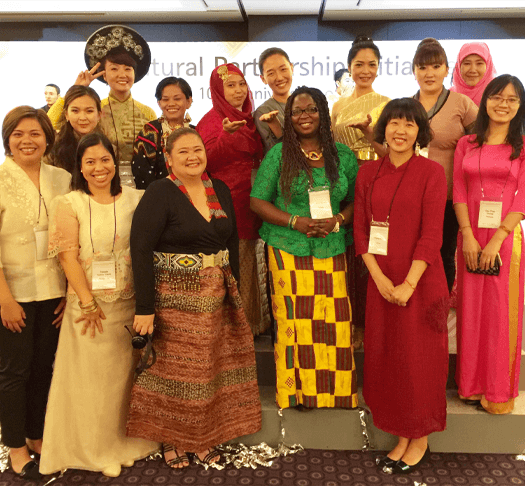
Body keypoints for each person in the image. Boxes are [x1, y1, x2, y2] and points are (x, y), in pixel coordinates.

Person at [126, 127, 261, 468]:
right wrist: (145, 308)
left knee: (211, 371)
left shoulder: (219, 188)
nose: (192, 157)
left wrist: (235, 293)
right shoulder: (160, 192)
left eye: (197, 149)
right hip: (173, 300)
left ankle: (203, 436)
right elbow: (140, 249)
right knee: (175, 374)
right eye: (183, 151)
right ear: (169, 158)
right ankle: (172, 439)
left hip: (217, 298)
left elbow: (230, 243)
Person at [40, 132, 158, 477]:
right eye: (89, 161)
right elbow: (67, 256)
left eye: (105, 159)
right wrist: (88, 303)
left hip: (128, 304)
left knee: (122, 382)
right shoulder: (69, 203)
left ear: (115, 162)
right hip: (90, 308)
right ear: (80, 167)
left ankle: (122, 444)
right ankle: (95, 450)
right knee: (91, 384)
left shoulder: (136, 198)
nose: (98, 167)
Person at [353, 98, 448, 474]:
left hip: (420, 283)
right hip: (381, 282)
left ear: (419, 131)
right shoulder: (368, 173)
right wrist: (379, 279)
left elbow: (432, 234)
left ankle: (419, 438)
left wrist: (408, 283)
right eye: (394, 122)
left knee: (418, 361)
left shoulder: (432, 173)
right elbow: (361, 231)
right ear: (384, 128)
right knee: (389, 359)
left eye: (410, 124)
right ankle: (402, 435)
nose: (400, 130)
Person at [251, 86, 359, 410]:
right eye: (296, 111)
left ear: (323, 113)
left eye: (311, 109)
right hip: (288, 247)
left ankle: (334, 392)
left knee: (333, 320)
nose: (304, 116)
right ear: (289, 118)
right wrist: (294, 221)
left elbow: (356, 201)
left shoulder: (343, 155)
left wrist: (338, 219)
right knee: (294, 321)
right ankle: (297, 393)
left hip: (332, 245)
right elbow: (257, 201)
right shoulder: (279, 155)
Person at [0, 106, 70, 481]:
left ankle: (37, 436)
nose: (27, 141)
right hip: (13, 293)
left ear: (47, 139)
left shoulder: (62, 178)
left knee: (44, 367)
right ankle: (15, 447)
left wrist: (69, 290)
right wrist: (5, 300)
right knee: (15, 371)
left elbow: (70, 236)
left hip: (54, 290)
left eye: (35, 134)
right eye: (18, 134)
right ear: (7, 140)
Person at [453, 75, 525, 414]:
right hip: (470, 236)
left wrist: (497, 239)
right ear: (485, 101)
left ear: (520, 106)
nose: (503, 104)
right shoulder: (466, 143)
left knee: (499, 315)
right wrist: (467, 234)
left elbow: (522, 199)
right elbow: (458, 190)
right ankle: (470, 386)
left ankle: (496, 391)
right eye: (497, 97)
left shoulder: (522, 147)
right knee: (470, 312)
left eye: (512, 99)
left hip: (505, 240)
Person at [196, 64, 269, 335]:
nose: (238, 90)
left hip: (254, 200)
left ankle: (254, 324)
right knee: (231, 264)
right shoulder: (211, 121)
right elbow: (203, 162)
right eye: (230, 85)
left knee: (252, 261)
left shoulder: (252, 118)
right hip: (226, 201)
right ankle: (234, 330)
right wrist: (225, 137)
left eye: (241, 84)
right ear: (218, 90)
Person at [331, 35, 390, 348]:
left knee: (374, 248)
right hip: (344, 183)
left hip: (377, 179)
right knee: (347, 252)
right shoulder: (338, 105)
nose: (365, 70)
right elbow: (331, 148)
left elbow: (393, 150)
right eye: (359, 64)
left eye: (371, 64)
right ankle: (349, 322)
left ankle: (372, 324)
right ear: (349, 68)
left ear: (379, 68)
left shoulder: (388, 104)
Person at [47, 25, 157, 187]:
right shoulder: (94, 109)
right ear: (104, 75)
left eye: (128, 69)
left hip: (141, 183)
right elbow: (48, 125)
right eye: (114, 69)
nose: (122, 74)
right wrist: (75, 89)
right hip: (100, 180)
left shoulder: (147, 112)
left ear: (135, 73)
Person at [412, 38, 478, 292]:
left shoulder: (462, 104)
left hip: (449, 196)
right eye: (422, 67)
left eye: (436, 66)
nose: (429, 73)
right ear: (414, 71)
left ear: (447, 69)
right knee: (413, 252)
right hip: (412, 195)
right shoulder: (407, 105)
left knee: (443, 254)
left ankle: (439, 305)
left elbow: (483, 144)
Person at [132, 76, 193, 189]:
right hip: (157, 194)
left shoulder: (196, 132)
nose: (171, 103)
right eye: (165, 99)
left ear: (189, 101)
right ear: (159, 103)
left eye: (177, 99)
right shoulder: (149, 132)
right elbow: (142, 172)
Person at [47, 85, 102, 173]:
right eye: (75, 111)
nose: (82, 118)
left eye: (89, 111)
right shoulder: (53, 147)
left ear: (99, 115)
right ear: (66, 114)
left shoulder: (107, 147)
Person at [254, 47, 294, 154]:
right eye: (271, 73)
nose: (279, 78)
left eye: (283, 69)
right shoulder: (263, 112)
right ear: (263, 79)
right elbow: (274, 153)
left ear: (292, 68)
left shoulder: (307, 103)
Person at [450, 42, 497, 106]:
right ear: (458, 66)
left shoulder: (498, 97)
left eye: (479, 63)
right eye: (467, 63)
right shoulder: (448, 97)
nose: (472, 70)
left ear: (488, 66)